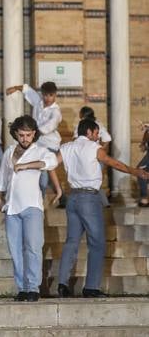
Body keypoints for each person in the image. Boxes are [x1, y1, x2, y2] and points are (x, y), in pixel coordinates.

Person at [56, 118, 149, 298]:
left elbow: (51, 164)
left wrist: (58, 189)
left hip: (72, 198)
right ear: (89, 132)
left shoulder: (66, 147)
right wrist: (135, 171)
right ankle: (91, 287)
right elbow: (113, 163)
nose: (98, 137)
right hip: (89, 199)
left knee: (71, 242)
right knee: (97, 243)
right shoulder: (93, 147)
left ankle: (62, 283)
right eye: (97, 133)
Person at [0, 114, 61, 302]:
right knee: (15, 250)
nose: (25, 139)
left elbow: (52, 162)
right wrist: (0, 201)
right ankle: (22, 288)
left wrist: (25, 165)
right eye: (22, 135)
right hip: (12, 208)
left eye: (29, 135)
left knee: (33, 248)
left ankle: (33, 287)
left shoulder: (40, 150)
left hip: (32, 206)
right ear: (16, 133)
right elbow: (2, 179)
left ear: (34, 134)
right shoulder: (8, 152)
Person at [6, 81, 62, 193]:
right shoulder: (39, 103)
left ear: (55, 95)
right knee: (42, 172)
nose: (48, 98)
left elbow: (48, 127)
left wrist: (28, 133)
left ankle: (41, 199)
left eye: (51, 95)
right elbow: (27, 89)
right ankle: (58, 196)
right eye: (45, 95)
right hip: (37, 143)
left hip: (50, 144)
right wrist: (15, 88)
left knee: (43, 173)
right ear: (42, 94)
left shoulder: (56, 112)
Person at [137, 124, 149, 207]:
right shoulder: (146, 133)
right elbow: (143, 148)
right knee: (142, 172)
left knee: (140, 171)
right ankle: (145, 197)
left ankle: (145, 197)